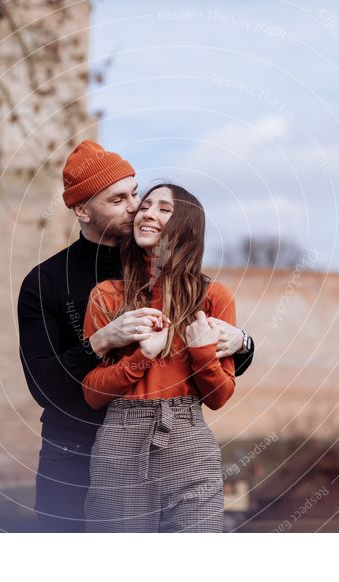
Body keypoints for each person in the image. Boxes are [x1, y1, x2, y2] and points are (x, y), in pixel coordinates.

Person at [17, 140, 256, 532]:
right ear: (82, 210)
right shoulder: (46, 282)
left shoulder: (167, 267)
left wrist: (242, 343)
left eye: (135, 194)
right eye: (117, 199)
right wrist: (101, 341)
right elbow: (44, 386)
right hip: (74, 452)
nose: (134, 207)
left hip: (171, 443)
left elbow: (200, 355)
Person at [82, 183, 239, 533]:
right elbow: (92, 393)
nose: (148, 213)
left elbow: (219, 397)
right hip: (119, 443)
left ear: (187, 226)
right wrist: (142, 357)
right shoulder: (106, 296)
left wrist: (201, 352)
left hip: (188, 439)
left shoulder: (213, 297)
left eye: (164, 209)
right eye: (146, 206)